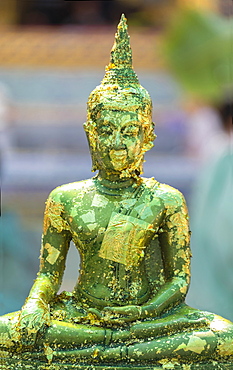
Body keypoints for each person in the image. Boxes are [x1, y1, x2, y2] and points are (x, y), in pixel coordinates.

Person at [0, 15, 232, 369]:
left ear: (148, 135)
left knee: (223, 337)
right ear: (89, 133)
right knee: (6, 333)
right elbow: (48, 276)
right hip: (83, 318)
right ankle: (118, 350)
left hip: (150, 322)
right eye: (106, 129)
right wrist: (34, 305)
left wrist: (144, 311)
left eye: (129, 131)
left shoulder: (165, 200)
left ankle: (118, 348)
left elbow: (180, 280)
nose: (117, 143)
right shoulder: (65, 199)